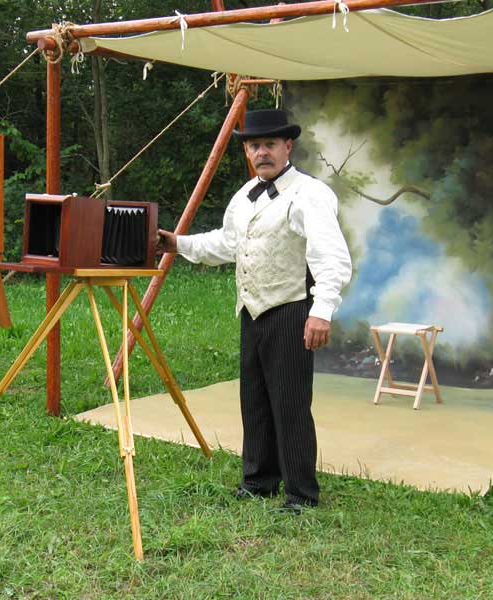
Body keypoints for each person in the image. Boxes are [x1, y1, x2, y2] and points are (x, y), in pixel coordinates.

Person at [158, 109, 352, 513]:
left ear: (288, 147)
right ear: (247, 151)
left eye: (269, 144)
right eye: (253, 146)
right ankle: (259, 480)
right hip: (252, 310)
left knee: (290, 404)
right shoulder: (244, 197)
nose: (261, 152)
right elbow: (227, 244)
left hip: (291, 310)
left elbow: (331, 258)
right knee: (256, 400)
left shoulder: (309, 194)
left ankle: (301, 494)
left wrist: (322, 310)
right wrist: (179, 244)